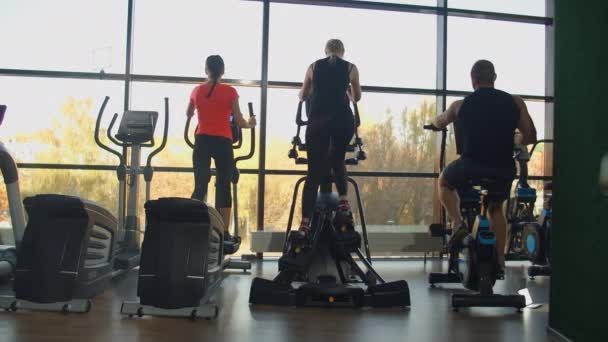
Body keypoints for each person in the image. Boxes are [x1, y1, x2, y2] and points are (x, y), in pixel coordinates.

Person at [432, 59, 537, 273]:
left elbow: (440, 121)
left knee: (444, 182)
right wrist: (516, 140)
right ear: (495, 78)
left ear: (473, 80)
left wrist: (433, 123)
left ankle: (458, 223)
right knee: (495, 207)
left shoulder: (460, 105)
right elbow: (530, 136)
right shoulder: (515, 102)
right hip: (502, 169)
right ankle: (499, 260)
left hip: (471, 167)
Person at [293, 39, 362, 240]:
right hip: (342, 122)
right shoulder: (351, 68)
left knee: (314, 172)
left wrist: (304, 92)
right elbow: (356, 98)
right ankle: (343, 200)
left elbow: (304, 95)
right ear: (343, 51)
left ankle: (305, 223)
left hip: (318, 122)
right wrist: (348, 93)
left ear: (326, 51)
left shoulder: (313, 67)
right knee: (337, 158)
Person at [187, 55, 256, 242]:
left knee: (200, 185)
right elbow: (240, 122)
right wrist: (250, 123)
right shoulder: (230, 92)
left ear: (206, 70)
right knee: (224, 186)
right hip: (222, 142)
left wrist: (201, 111)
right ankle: (223, 233)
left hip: (202, 141)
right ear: (223, 71)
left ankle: (192, 227)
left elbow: (188, 113)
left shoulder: (196, 90)